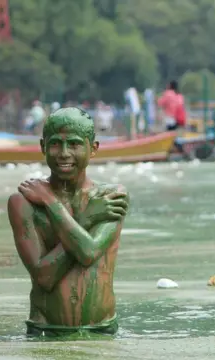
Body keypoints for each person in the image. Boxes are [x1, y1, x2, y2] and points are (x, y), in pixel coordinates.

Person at [7, 107, 130, 338]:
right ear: (43, 147)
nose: (64, 153)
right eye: (55, 144)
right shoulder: (24, 203)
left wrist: (49, 201)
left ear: (93, 149)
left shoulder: (112, 196)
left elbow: (89, 251)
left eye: (74, 144)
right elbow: (44, 277)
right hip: (46, 333)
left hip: (102, 332)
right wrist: (78, 213)